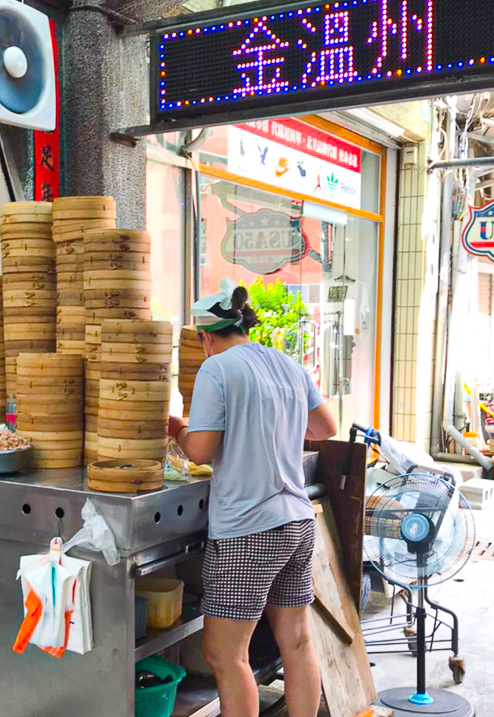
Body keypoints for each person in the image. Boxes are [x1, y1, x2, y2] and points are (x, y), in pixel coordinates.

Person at [168, 279, 337, 717]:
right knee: (296, 641)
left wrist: (176, 429)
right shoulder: (288, 365)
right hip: (297, 521)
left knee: (226, 655)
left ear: (206, 337)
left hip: (248, 530)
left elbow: (201, 451)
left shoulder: (217, 369)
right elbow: (325, 428)